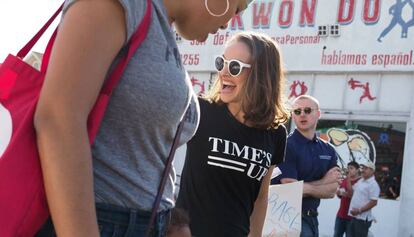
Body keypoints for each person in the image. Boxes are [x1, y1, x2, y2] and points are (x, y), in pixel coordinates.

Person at [33, 0, 254, 236]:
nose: (230, 22)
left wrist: (172, 222)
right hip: (96, 222)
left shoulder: (160, 25)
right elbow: (58, 118)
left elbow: (144, 153)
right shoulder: (127, 5)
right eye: (238, 8)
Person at [176, 32, 290, 237]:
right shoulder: (201, 110)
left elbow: (261, 198)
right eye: (222, 63)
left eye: (234, 66)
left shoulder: (276, 133)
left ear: (261, 74)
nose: (224, 73)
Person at [272, 95, 341, 237]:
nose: (302, 114)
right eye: (297, 111)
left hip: (312, 219)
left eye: (308, 110)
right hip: (284, 218)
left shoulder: (328, 150)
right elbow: (290, 188)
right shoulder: (286, 146)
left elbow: (332, 190)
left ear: (318, 113)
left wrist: (304, 187)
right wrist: (323, 182)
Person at [348, 161, 380, 237]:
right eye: (363, 168)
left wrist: (359, 211)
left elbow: (374, 202)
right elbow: (351, 191)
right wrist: (348, 180)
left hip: (362, 219)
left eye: (366, 168)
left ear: (372, 171)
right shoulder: (361, 181)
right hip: (354, 216)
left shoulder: (373, 185)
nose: (363, 170)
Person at [333, 161, 360, 237]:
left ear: (357, 170)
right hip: (341, 215)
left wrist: (345, 194)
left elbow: (352, 195)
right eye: (348, 168)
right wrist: (339, 193)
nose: (349, 170)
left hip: (352, 217)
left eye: (351, 168)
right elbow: (341, 194)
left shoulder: (360, 182)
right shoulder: (345, 180)